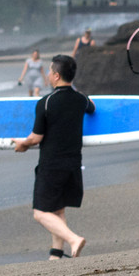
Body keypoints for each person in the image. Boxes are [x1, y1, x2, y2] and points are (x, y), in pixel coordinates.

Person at [13, 53, 93, 258]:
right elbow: (91, 108)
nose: (48, 74)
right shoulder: (80, 99)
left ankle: (74, 239)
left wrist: (22, 144)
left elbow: (36, 138)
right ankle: (55, 256)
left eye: (50, 71)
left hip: (51, 164)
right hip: (74, 164)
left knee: (40, 213)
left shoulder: (46, 103)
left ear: (56, 76)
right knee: (58, 209)